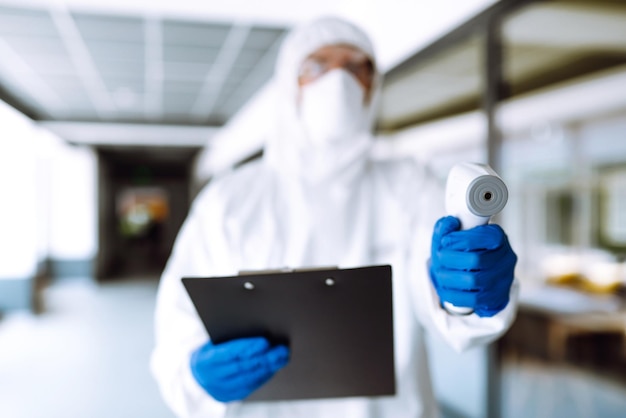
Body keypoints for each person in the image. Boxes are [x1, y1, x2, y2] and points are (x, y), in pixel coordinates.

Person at [150, 16, 519, 418]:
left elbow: (444, 303)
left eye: (357, 67)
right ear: (290, 84)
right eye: (318, 66)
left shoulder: (409, 186)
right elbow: (177, 324)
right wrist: (194, 375)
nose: (338, 81)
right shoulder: (228, 201)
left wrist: (465, 295)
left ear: (372, 86)